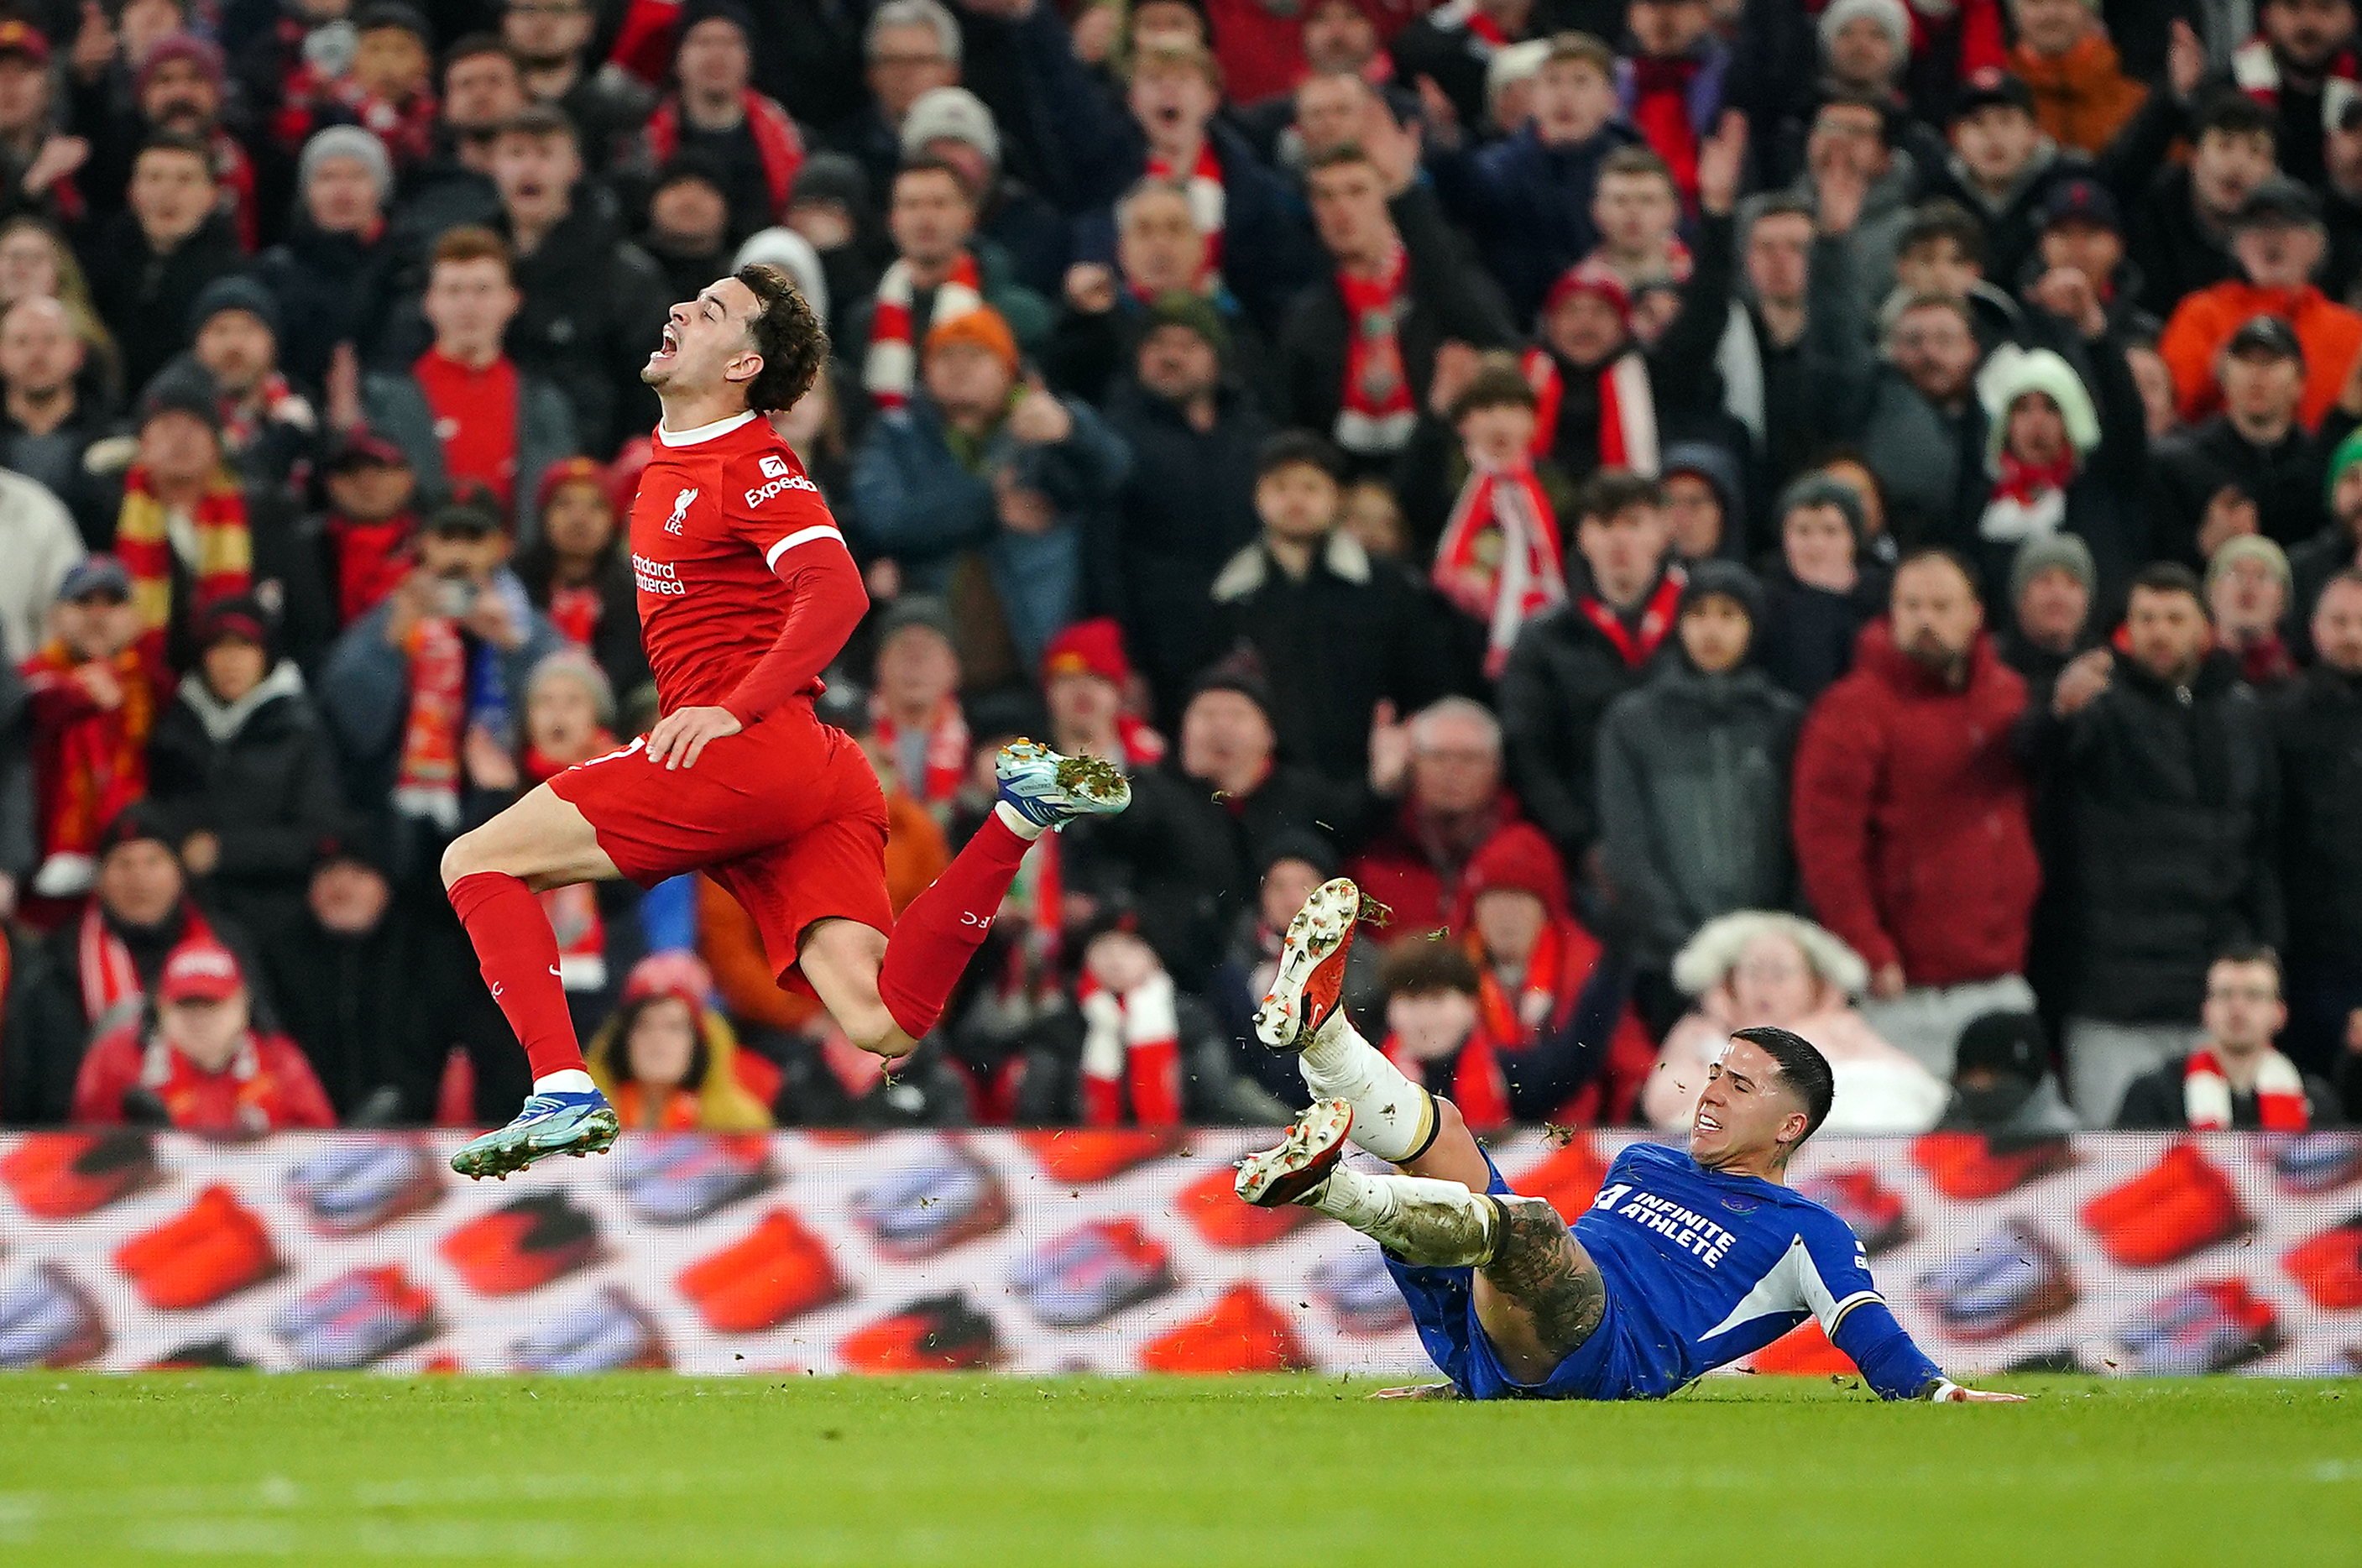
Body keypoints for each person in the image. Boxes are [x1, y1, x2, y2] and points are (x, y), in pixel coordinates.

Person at [432, 263, 1132, 1179]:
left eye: (713, 309)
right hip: (808, 775)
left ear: (742, 366)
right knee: (883, 1019)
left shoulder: (752, 462)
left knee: (475, 859)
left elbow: (837, 592)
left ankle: (562, 1084)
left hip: (746, 754)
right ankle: (1016, 817)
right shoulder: (667, 463)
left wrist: (731, 708)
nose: (683, 306)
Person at [1231, 877, 2021, 1404]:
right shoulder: (1645, 1160)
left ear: (1791, 1127)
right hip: (1508, 1329)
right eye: (1716, 1072)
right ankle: (1323, 1039)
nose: (1710, 1092)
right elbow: (1571, 1266)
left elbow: (1861, 1322)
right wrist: (1480, 1379)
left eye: (1739, 1087)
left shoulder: (1805, 1229)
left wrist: (1941, 1394)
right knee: (1445, 1133)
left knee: (1527, 1224)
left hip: (1602, 1359)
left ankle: (1331, 1185)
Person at [2033, 563, 2283, 1118]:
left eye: (2174, 618)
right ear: (2126, 629)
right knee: (2112, 1172)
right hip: (2111, 997)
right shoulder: (2096, 706)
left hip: (2212, 995)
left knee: (2221, 1177)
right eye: (2146, 618)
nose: (2160, 632)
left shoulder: (2245, 715)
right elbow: (2032, 755)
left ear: (2204, 627)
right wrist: (2059, 711)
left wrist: (2265, 946)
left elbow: (2263, 845)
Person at [1792, 549, 2041, 1076]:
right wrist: (1868, 948)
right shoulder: (1852, 710)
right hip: (1904, 990)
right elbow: (1828, 847)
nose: (1925, 619)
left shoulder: (2010, 699)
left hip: (2001, 979)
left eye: (1941, 605)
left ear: (1974, 614)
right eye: (1911, 605)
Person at [850, 305, 1128, 675]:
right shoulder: (896, 433)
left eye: (977, 355)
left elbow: (1116, 472)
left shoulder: (1046, 424)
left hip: (1037, 651)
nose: (959, 367)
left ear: (1009, 368)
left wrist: (1073, 430)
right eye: (945, 355)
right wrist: (989, 506)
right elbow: (883, 519)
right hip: (933, 659)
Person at [1596, 562, 1801, 982]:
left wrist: (1778, 937)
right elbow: (1628, 847)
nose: (1712, 631)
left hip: (1773, 958)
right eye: (1699, 614)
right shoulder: (1633, 722)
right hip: (1667, 960)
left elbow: (1805, 840)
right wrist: (1684, 943)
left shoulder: (1784, 720)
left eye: (1728, 615)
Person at [1212, 430, 1446, 785]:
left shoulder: (1387, 585)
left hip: (1367, 777)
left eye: (1310, 488)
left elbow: (1425, 679)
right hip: (1265, 781)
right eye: (1281, 487)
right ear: (1258, 498)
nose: (1296, 500)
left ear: (1335, 498)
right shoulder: (1232, 592)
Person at [1498, 468, 1682, 875]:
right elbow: (1528, 752)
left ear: (1664, 532)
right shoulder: (1544, 638)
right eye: (1603, 524)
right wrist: (1582, 844)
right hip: (1586, 853)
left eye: (1633, 523)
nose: (1619, 539)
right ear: (1583, 536)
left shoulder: (1702, 626)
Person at [144, 596, 342, 950]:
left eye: (245, 647)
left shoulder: (300, 731)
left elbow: (317, 836)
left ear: (266, 656)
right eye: (219, 648)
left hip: (277, 922)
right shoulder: (174, 726)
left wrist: (225, 852)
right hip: (185, 915)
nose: (231, 661)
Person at [359, 226, 578, 543]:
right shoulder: (382, 402)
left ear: (512, 301)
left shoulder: (546, 406)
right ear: (429, 302)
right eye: (454, 291)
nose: (468, 305)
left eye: (483, 290)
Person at [1643, 910, 1947, 1134]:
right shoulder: (1700, 1032)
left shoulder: (1844, 1029)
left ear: (1815, 984)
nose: (1765, 986)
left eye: (1780, 973)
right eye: (1752, 972)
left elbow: (1912, 1093)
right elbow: (1666, 1103)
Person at [2159, 177, 2362, 431]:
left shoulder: (2351, 332)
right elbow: (2174, 410)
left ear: (2316, 244)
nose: (2271, 237)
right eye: (2256, 226)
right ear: (2237, 244)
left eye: (2287, 225)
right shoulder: (2201, 314)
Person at [69, 938, 334, 1131]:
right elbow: (82, 1151)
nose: (199, 1020)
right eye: (185, 1006)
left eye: (212, 1005)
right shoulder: (116, 1059)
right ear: (161, 1006)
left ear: (241, 1005)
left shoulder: (279, 1060)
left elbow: (322, 1151)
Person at [18, 557, 164, 907]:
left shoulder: (157, 688)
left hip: (132, 886)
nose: (97, 616)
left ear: (134, 619)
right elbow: (33, 705)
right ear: (55, 615)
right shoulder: (27, 681)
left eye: (112, 604)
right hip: (37, 887)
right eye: (83, 603)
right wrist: (81, 694)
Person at [2273, 570, 2362, 1073]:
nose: (2352, 634)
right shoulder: (2282, 717)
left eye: (2361, 622)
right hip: (2311, 962)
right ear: (2314, 628)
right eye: (2339, 621)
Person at [1348, 698, 1525, 934]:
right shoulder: (1376, 862)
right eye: (1438, 757)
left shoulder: (1523, 855)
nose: (1452, 771)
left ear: (1496, 767)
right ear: (1412, 765)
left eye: (1469, 758)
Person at [2114, 947, 2343, 1128]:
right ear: (2205, 1010)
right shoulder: (2156, 1094)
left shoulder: (2316, 1100)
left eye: (2253, 995)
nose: (2238, 1008)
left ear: (2280, 1014)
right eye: (2225, 995)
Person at [584, 951, 774, 1132]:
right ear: (622, 1041)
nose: (658, 1039)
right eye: (643, 1026)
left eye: (673, 1028)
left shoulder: (739, 1126)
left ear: (700, 1045)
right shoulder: (583, 1119)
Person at [1753, 475, 1888, 702]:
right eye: (1803, 531)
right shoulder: (1762, 601)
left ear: (1854, 539)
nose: (1816, 545)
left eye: (1831, 531)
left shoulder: (1882, 597)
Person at [1936, 1009, 2080, 1134]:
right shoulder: (1946, 1134)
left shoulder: (2064, 1142)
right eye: (1969, 1073)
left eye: (1989, 1073)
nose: (1975, 1083)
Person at [2207, 535, 2301, 687]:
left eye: (2262, 575)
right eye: (2237, 573)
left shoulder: (2297, 680)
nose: (2248, 584)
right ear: (2213, 592)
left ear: (2282, 600)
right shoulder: (2188, 670)